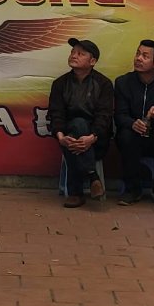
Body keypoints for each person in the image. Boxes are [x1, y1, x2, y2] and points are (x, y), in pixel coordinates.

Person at [48, 38, 114, 208]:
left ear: (92, 61)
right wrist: (61, 137)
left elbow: (104, 116)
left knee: (79, 126)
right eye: (72, 52)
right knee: (76, 126)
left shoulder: (103, 84)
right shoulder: (60, 84)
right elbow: (56, 114)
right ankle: (92, 176)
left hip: (97, 139)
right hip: (68, 138)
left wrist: (91, 138)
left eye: (80, 54)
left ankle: (76, 193)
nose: (74, 56)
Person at [113, 39, 154, 208]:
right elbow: (119, 115)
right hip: (133, 136)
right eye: (138, 54)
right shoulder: (123, 83)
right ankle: (132, 189)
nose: (138, 59)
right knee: (125, 135)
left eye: (145, 56)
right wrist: (132, 123)